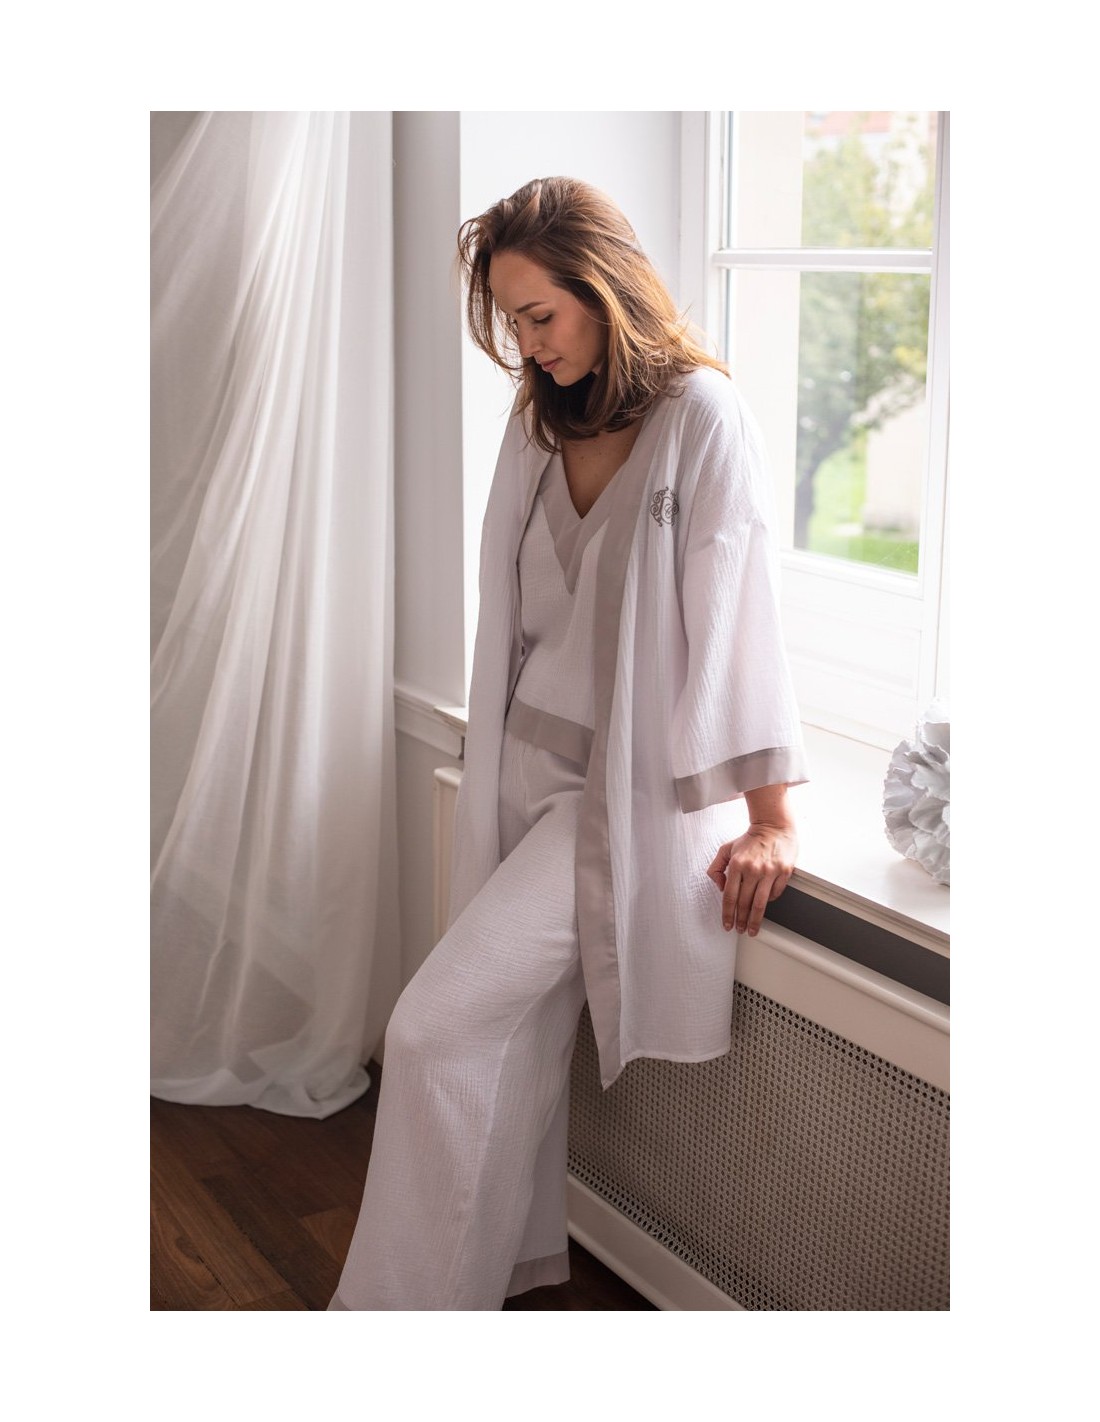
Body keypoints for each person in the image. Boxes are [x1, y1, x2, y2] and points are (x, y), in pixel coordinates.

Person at [328, 177, 807, 1311]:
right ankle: (477, 1285)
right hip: (517, 765)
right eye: (511, 322)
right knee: (503, 1047)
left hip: (617, 793)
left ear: (604, 288)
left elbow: (740, 620)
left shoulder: (700, 416)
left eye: (540, 315)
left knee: (431, 1030)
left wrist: (772, 819)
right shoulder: (538, 421)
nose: (526, 345)